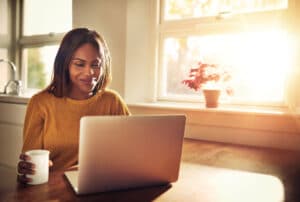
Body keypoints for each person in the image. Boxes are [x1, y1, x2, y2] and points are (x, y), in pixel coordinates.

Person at [17, 28, 130, 184]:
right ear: (65, 65)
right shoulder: (40, 103)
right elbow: (30, 163)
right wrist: (29, 169)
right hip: (54, 189)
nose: (89, 72)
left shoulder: (113, 102)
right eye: (79, 64)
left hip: (103, 186)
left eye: (96, 65)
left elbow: (131, 153)